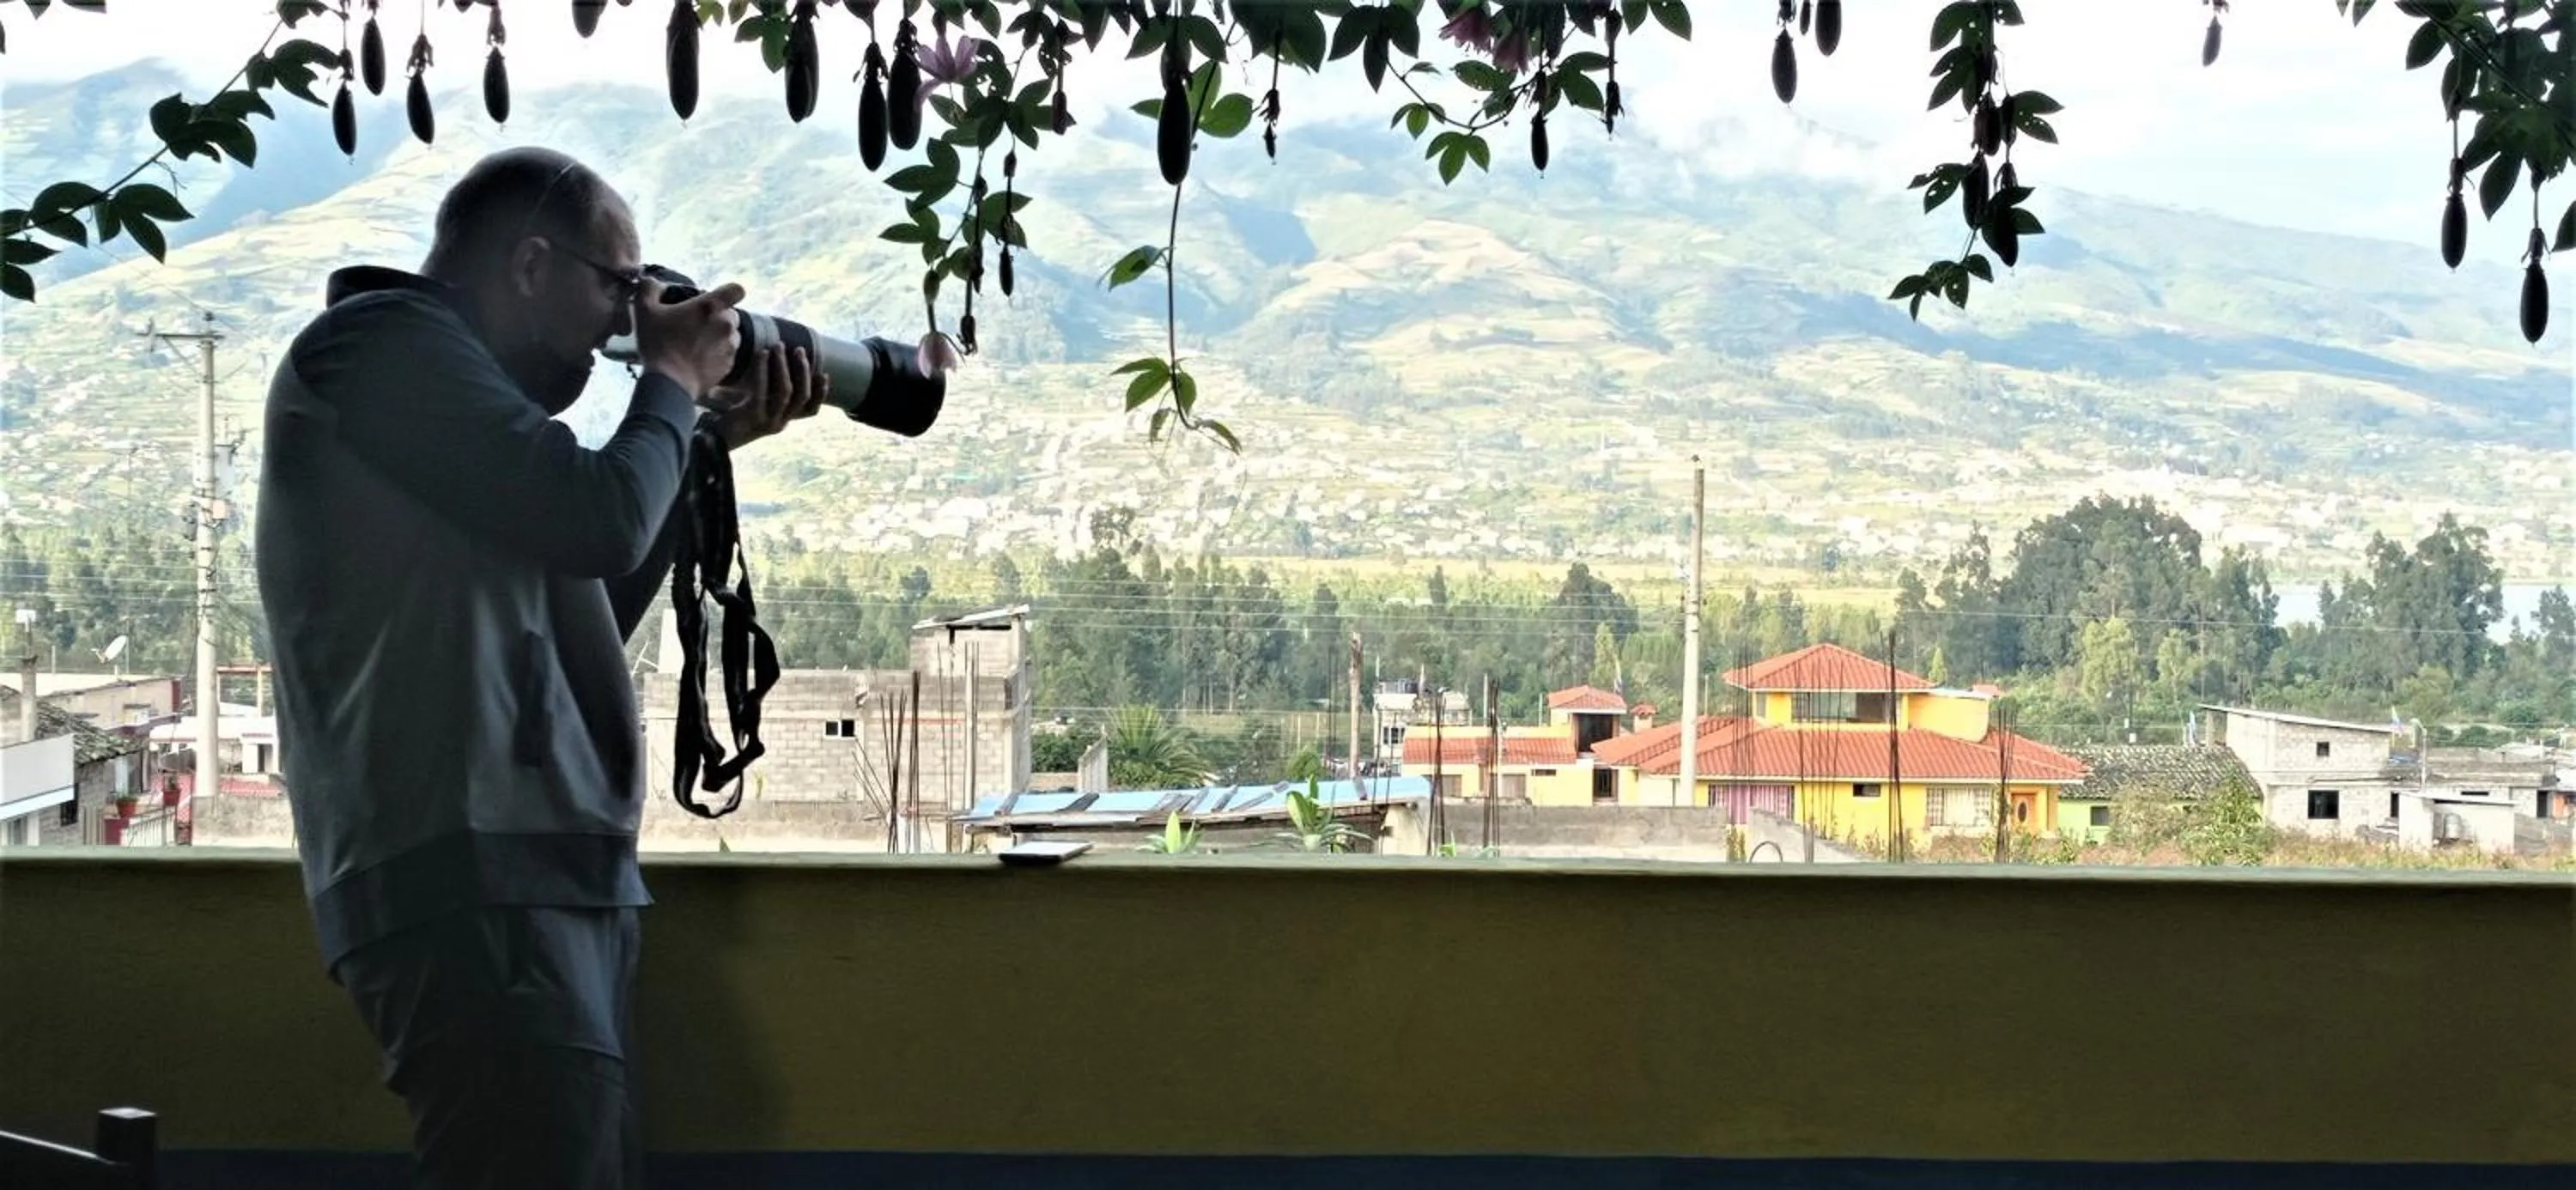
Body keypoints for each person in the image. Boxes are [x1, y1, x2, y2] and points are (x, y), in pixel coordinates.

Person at [253, 146, 824, 1188]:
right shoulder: (378, 345)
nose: (624, 323)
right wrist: (671, 379)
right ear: (527, 264)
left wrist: (697, 434)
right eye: (616, 287)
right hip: (474, 871)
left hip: (531, 871)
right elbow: (597, 520)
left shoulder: (473, 429)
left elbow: (587, 602)